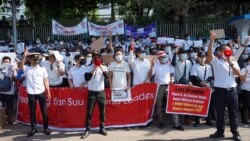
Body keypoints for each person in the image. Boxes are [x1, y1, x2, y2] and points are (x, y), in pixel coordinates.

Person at [207, 31, 242, 141]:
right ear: (220, 52)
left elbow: (238, 74)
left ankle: (235, 132)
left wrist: (231, 63)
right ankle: (220, 131)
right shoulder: (216, 62)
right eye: (226, 50)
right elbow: (209, 54)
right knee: (220, 112)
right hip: (220, 91)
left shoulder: (233, 61)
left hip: (232, 91)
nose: (228, 52)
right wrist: (212, 40)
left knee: (233, 113)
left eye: (229, 50)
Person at [20, 50, 51, 137]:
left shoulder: (42, 69)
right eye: (33, 59)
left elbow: (45, 80)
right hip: (31, 92)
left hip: (41, 91)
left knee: (44, 111)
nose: (35, 60)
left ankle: (46, 128)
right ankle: (33, 129)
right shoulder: (27, 68)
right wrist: (24, 56)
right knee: (32, 112)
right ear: (30, 60)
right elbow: (21, 66)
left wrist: (48, 91)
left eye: (37, 59)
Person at [150, 51, 184, 130]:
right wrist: (151, 66)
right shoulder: (155, 66)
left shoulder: (169, 65)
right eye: (161, 57)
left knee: (172, 104)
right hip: (159, 87)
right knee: (159, 105)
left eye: (164, 57)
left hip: (169, 86)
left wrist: (172, 79)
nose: (163, 58)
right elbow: (151, 75)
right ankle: (160, 122)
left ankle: (176, 123)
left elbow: (172, 74)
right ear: (158, 58)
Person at [81, 53, 110, 139]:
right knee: (89, 112)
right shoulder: (88, 68)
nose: (96, 60)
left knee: (103, 112)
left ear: (101, 59)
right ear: (92, 60)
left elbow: (107, 77)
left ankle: (102, 128)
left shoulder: (104, 67)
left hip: (101, 93)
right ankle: (88, 129)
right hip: (92, 93)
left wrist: (100, 66)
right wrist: (94, 68)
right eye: (95, 59)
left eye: (98, 59)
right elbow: (87, 78)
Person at [190, 51, 213, 127]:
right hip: (198, 88)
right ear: (198, 58)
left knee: (208, 104)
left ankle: (208, 120)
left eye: (203, 57)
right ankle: (197, 121)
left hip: (207, 87)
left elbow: (210, 77)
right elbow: (193, 76)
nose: (202, 58)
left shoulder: (208, 66)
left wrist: (206, 82)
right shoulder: (194, 66)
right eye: (200, 57)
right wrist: (201, 82)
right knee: (197, 104)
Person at [0, 56, 16, 125]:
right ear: (2, 62)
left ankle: (9, 120)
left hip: (10, 92)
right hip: (0, 91)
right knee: (1, 106)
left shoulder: (12, 69)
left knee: (10, 106)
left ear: (10, 62)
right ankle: (2, 121)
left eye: (7, 62)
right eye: (5, 61)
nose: (6, 63)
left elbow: (15, 79)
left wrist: (13, 72)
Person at [239, 56, 250, 124]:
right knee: (246, 104)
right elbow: (242, 79)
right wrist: (246, 72)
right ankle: (244, 119)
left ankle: (247, 118)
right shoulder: (244, 69)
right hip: (245, 88)